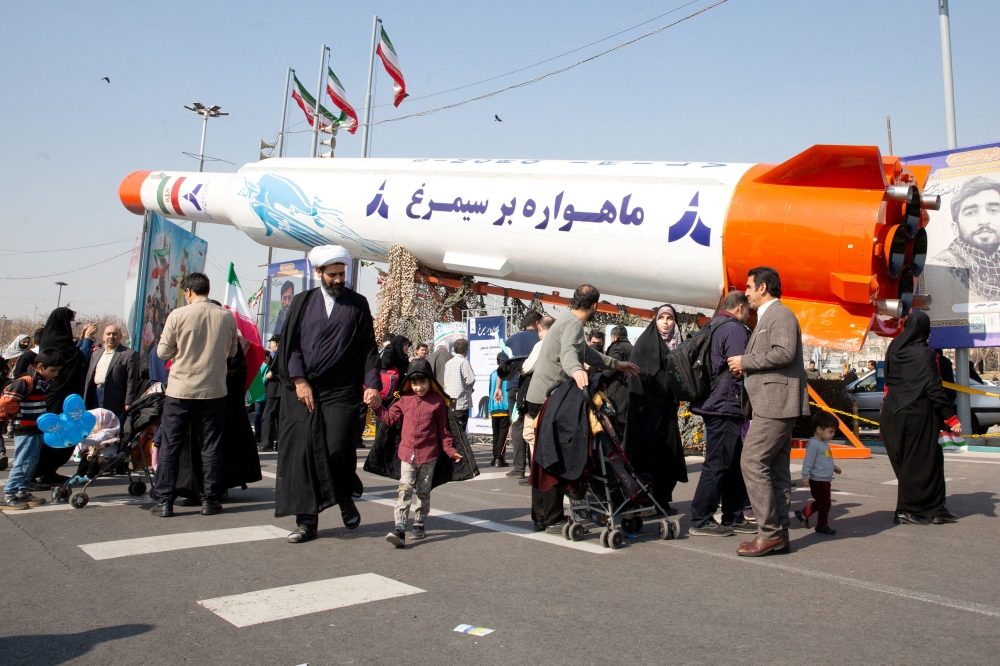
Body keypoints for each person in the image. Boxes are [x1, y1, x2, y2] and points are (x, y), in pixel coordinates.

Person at [273, 245, 382, 544]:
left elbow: (368, 349)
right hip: (303, 389)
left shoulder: (357, 304)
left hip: (341, 390)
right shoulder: (302, 302)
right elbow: (290, 346)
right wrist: (299, 380)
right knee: (303, 454)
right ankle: (306, 521)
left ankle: (343, 494)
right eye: (332, 275)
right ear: (318, 273)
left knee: (337, 447)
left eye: (342, 274)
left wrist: (372, 384)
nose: (338, 280)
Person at [525, 285, 640, 532]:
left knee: (544, 457)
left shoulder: (565, 320)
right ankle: (552, 517)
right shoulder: (573, 325)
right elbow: (569, 355)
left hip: (540, 396)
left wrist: (616, 364)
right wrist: (577, 371)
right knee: (554, 456)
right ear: (595, 305)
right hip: (549, 398)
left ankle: (541, 516)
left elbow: (585, 352)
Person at [727, 266, 810, 557]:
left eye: (749, 287)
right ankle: (780, 536)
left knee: (751, 461)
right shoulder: (766, 317)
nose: (745, 292)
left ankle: (769, 534)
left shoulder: (781, 315)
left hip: (776, 403)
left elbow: (784, 352)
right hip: (771, 402)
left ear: (763, 288)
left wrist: (745, 361)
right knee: (775, 470)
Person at [150, 273, 239, 518]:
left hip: (180, 389)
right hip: (213, 389)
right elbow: (232, 351)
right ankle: (210, 499)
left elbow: (163, 353)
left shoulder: (178, 315)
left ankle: (165, 500)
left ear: (188, 291)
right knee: (211, 446)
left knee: (171, 445)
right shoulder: (226, 317)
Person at [370, 359, 463, 547]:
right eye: (414, 383)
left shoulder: (437, 402)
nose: (419, 387)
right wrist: (376, 406)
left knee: (423, 492)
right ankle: (400, 528)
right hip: (406, 455)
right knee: (404, 490)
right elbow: (390, 418)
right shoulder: (403, 400)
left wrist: (451, 451)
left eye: (422, 382)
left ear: (430, 381)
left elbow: (443, 431)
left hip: (429, 456)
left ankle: (419, 523)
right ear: (408, 383)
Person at [881, 310, 961, 525]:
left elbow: (888, 381)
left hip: (892, 414)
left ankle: (931, 510)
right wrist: (951, 418)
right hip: (918, 415)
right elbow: (934, 389)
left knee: (907, 464)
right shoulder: (924, 354)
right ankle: (912, 510)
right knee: (927, 463)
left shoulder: (894, 348)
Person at [689, 291, 754, 537]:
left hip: (714, 402)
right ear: (739, 308)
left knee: (733, 462)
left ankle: (733, 515)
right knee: (717, 463)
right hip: (725, 405)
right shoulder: (735, 329)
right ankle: (701, 518)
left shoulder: (714, 324)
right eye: (747, 311)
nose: (748, 316)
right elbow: (738, 368)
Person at [626, 304, 688, 515]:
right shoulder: (645, 343)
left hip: (667, 412)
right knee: (647, 455)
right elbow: (639, 377)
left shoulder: (677, 344)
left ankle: (662, 499)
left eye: (669, 318)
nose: (665, 322)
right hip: (647, 415)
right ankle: (643, 498)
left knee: (667, 457)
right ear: (655, 320)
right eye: (661, 318)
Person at [32, 310, 97, 487]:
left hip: (65, 396)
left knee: (66, 434)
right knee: (54, 433)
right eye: (71, 321)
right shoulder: (55, 341)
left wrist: (83, 338)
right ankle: (34, 474)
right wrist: (88, 340)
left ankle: (48, 471)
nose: (72, 324)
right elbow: (78, 358)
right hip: (58, 396)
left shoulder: (59, 339)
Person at [1, 348, 62, 510]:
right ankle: (9, 494)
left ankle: (22, 490)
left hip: (36, 429)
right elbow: (6, 401)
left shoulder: (42, 382)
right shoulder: (26, 381)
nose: (55, 374)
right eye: (53, 371)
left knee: (31, 461)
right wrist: (16, 413)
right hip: (25, 429)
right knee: (23, 462)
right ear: (40, 366)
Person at [934, 176, 1000, 299]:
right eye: (970, 212)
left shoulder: (997, 262)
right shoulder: (941, 267)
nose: (984, 221)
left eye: (994, 210)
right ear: (955, 228)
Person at [500, 311, 542, 478]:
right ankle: (535, 468)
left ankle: (518, 469)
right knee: (534, 425)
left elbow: (503, 363)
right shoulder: (541, 340)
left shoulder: (512, 339)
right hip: (535, 387)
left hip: (514, 387)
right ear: (538, 323)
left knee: (517, 426)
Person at [794, 410, 842, 535]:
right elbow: (808, 462)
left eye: (833, 432)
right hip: (818, 480)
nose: (833, 434)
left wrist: (833, 466)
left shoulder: (823, 443)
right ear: (819, 430)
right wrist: (805, 476)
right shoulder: (814, 445)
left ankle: (804, 513)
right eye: (830, 431)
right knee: (825, 503)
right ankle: (821, 525)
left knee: (822, 502)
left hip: (825, 479)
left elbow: (824, 459)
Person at [84, 324, 138, 419]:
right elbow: (89, 378)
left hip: (115, 401)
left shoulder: (128, 354)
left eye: (114, 334)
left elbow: (131, 381)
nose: (111, 337)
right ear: (103, 336)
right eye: (108, 334)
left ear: (120, 336)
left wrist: (128, 402)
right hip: (96, 396)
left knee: (111, 430)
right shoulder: (96, 354)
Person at [443, 338, 475, 432]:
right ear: (465, 350)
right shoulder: (464, 362)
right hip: (461, 401)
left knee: (452, 429)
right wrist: (470, 388)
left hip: (450, 401)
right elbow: (471, 380)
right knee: (461, 430)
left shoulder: (448, 363)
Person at [258, 335, 281, 452]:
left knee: (268, 416)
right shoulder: (280, 354)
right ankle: (278, 443)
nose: (270, 345)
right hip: (278, 391)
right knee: (278, 418)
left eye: (271, 342)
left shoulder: (279, 354)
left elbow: (273, 372)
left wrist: (269, 375)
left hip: (276, 390)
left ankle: (267, 442)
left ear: (276, 343)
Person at [488, 354, 510, 467]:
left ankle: (495, 456)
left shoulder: (493, 374)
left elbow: (489, 390)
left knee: (496, 434)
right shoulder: (509, 374)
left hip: (494, 407)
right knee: (503, 433)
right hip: (505, 406)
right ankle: (499, 458)